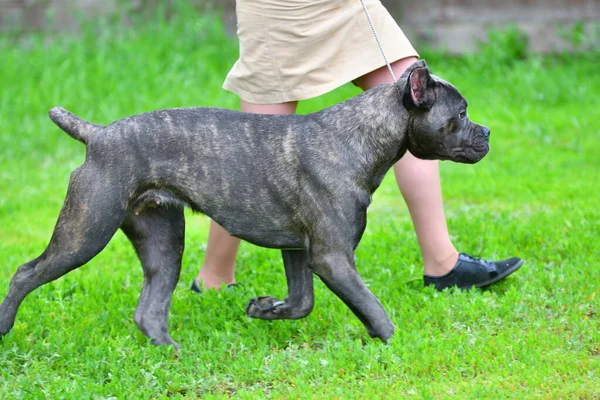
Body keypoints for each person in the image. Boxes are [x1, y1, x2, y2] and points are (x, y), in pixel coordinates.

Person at [191, 0, 523, 293]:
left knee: (416, 108)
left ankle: (442, 262)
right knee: (257, 153)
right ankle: (214, 275)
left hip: (348, 6)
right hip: (279, 8)